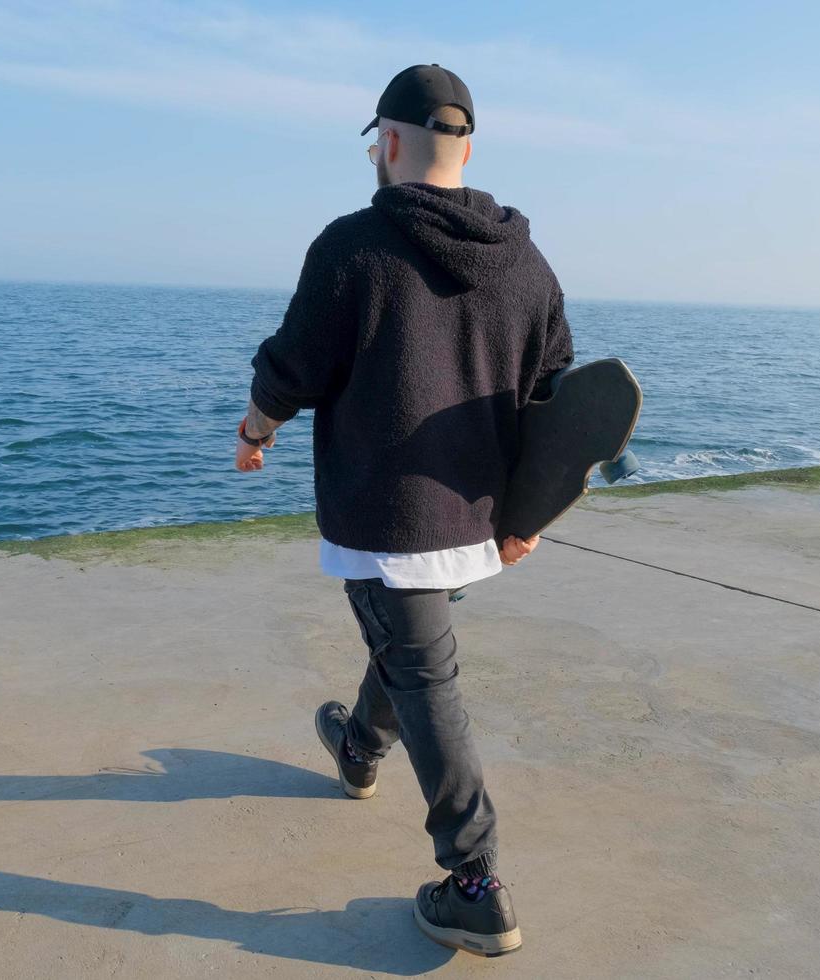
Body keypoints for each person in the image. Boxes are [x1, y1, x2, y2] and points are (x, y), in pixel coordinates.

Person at [229, 64, 574, 957]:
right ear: (467, 147)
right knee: (407, 646)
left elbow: (294, 367)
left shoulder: (354, 247)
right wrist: (527, 514)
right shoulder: (526, 263)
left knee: (426, 677)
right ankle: (355, 749)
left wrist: (254, 427)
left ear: (385, 142)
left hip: (386, 517)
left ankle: (474, 884)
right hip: (472, 521)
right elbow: (556, 401)